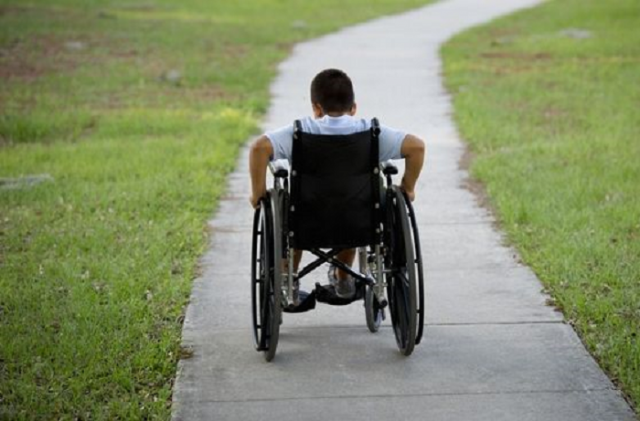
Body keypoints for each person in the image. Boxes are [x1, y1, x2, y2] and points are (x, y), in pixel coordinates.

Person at [249, 68, 425, 302]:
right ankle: (344, 277)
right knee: (355, 203)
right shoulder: (371, 131)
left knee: (291, 207)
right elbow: (417, 148)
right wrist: (408, 186)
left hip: (305, 219)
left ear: (316, 108)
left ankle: (287, 276)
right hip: (360, 219)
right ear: (353, 108)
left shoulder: (300, 132)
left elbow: (259, 149)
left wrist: (258, 193)